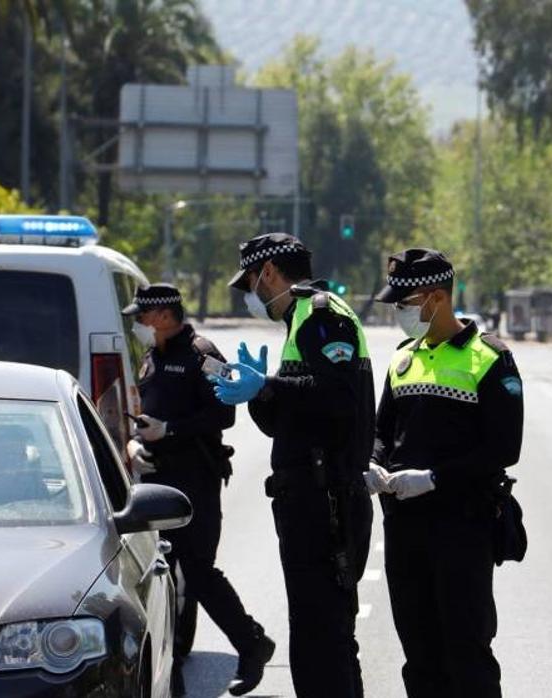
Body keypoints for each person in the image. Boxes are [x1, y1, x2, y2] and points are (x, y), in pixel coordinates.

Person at [209, 233, 376, 698]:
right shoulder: (301, 320)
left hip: (327, 503)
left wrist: (272, 387)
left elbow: (339, 401)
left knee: (326, 640)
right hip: (309, 502)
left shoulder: (321, 316)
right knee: (314, 636)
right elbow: (294, 422)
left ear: (269, 273)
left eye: (251, 283)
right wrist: (263, 394)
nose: (251, 295)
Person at [365, 248, 524, 698]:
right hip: (404, 525)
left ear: (436, 298)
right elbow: (383, 430)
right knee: (419, 653)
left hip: (461, 525)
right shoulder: (402, 358)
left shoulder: (490, 359)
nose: (399, 312)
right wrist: (374, 464)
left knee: (466, 650)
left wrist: (434, 477)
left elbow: (503, 449)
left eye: (405, 302)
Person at [122, 283, 275, 698]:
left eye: (142, 316)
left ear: (166, 316)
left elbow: (224, 412)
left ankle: (252, 643)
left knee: (199, 570)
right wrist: (136, 444)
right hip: (155, 477)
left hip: (195, 479)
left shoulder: (202, 354)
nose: (137, 323)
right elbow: (147, 410)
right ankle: (176, 654)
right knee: (163, 571)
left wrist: (170, 430)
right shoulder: (152, 355)